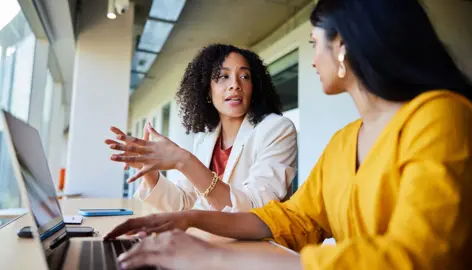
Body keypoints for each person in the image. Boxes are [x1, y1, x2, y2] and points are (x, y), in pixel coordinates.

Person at [105, 0, 472, 269]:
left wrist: (216, 257)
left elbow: (421, 257)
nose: (312, 60)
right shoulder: (345, 141)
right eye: (223, 78)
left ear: (341, 45)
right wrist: (189, 219)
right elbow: (293, 219)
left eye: (314, 43)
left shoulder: (440, 116)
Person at [105, 44, 297, 212]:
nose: (235, 85)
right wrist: (149, 172)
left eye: (244, 76)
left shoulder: (276, 129)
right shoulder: (206, 138)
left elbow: (256, 208)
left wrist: (184, 161)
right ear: (207, 90)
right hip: (210, 244)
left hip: (258, 249)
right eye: (224, 76)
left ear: (254, 87)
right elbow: (185, 202)